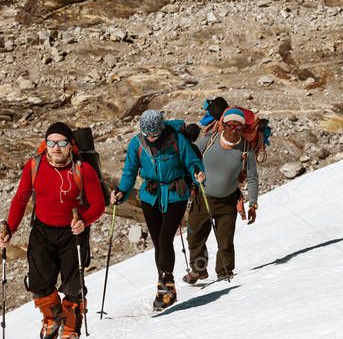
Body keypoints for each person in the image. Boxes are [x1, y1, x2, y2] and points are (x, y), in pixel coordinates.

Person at [0, 122, 105, 339]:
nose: (56, 148)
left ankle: (71, 322)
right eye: (52, 143)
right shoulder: (34, 167)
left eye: (62, 143)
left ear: (70, 145)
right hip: (42, 231)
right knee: (38, 281)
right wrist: (10, 228)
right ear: (45, 145)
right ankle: (53, 316)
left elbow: (98, 204)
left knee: (73, 283)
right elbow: (20, 199)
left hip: (73, 233)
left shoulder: (83, 170)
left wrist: (84, 221)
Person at [110, 110, 205, 311]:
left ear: (162, 129)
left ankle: (166, 286)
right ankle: (165, 285)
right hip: (150, 196)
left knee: (165, 239)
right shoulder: (137, 144)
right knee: (158, 242)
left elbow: (191, 161)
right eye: (148, 134)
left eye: (154, 134)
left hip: (175, 193)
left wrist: (198, 173)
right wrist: (121, 192)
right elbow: (129, 172)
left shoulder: (176, 138)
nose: (151, 138)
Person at [185, 107, 260, 285]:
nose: (233, 130)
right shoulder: (208, 141)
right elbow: (190, 159)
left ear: (243, 129)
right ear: (222, 126)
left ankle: (225, 272)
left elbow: (252, 178)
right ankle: (198, 270)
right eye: (229, 126)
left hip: (227, 201)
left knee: (225, 241)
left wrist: (253, 204)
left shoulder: (246, 151)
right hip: (202, 198)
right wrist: (194, 174)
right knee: (195, 236)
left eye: (238, 127)